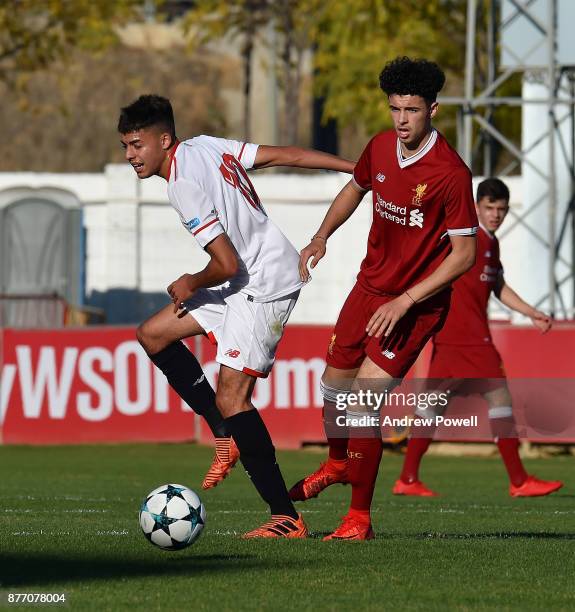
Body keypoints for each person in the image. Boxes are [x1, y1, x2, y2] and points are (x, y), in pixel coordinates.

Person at [117, 94, 354, 538]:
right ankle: (224, 434)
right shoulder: (206, 145)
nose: (130, 156)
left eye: (136, 145)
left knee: (234, 397)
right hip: (243, 278)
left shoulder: (182, 184)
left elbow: (223, 264)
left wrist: (190, 281)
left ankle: (285, 517)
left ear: (164, 139)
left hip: (263, 284)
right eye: (126, 147)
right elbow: (287, 155)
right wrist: (353, 167)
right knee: (153, 334)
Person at [289, 56, 478, 540]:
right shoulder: (379, 147)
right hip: (368, 289)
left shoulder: (451, 173)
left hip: (414, 305)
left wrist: (406, 300)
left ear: (433, 109)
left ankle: (359, 519)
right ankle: (336, 464)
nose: (401, 120)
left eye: (411, 110)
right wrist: (320, 236)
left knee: (363, 403)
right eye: (394, 109)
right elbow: (354, 190)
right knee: (333, 389)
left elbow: (463, 255)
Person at [393, 178, 563, 498]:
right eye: (489, 208)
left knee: (432, 408)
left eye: (501, 209)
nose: (495, 214)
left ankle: (408, 478)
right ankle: (519, 480)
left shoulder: (490, 243)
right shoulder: (462, 239)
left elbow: (497, 284)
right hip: (467, 339)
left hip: (457, 340)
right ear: (477, 206)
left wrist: (530, 311)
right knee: (499, 400)